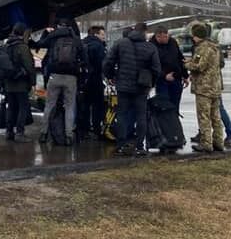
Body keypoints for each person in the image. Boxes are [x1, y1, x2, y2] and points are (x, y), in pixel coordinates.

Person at [103, 22, 160, 156]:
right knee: (141, 116)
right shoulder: (150, 47)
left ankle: (121, 144)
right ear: (145, 32)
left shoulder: (120, 43)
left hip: (123, 85)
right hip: (142, 87)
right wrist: (151, 83)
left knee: (122, 114)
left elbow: (108, 61)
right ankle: (140, 146)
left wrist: (110, 76)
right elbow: (157, 69)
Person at [37, 17, 87, 145]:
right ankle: (69, 136)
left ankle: (43, 134)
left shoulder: (53, 37)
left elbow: (39, 44)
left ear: (58, 26)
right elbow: (85, 60)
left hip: (55, 76)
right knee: (70, 106)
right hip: (71, 77)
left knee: (49, 105)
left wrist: (45, 33)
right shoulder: (76, 40)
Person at [185, 22, 225, 153]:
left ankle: (206, 143)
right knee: (216, 116)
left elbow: (199, 66)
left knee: (204, 116)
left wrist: (187, 64)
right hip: (215, 86)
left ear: (196, 36)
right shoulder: (215, 47)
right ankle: (218, 141)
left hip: (204, 88)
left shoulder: (202, 48)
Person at [2, 23, 35, 142]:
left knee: (11, 107)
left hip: (8, 83)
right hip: (21, 83)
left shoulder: (6, 45)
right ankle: (20, 133)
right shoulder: (22, 47)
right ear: (23, 33)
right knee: (23, 107)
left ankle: (9, 132)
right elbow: (29, 65)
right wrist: (32, 81)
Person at [149, 25, 187, 114]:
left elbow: (180, 58)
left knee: (175, 106)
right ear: (157, 36)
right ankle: (165, 125)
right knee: (164, 105)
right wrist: (164, 76)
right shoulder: (151, 46)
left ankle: (174, 124)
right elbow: (151, 65)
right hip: (162, 81)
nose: (166, 39)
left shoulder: (173, 42)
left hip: (176, 78)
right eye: (164, 37)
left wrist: (185, 75)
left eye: (167, 36)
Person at [79, 25, 107, 140]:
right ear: (96, 34)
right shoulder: (98, 46)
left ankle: (83, 130)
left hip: (83, 79)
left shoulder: (82, 43)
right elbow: (102, 64)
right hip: (95, 79)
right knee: (97, 106)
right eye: (102, 34)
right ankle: (96, 129)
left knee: (84, 105)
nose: (104, 37)